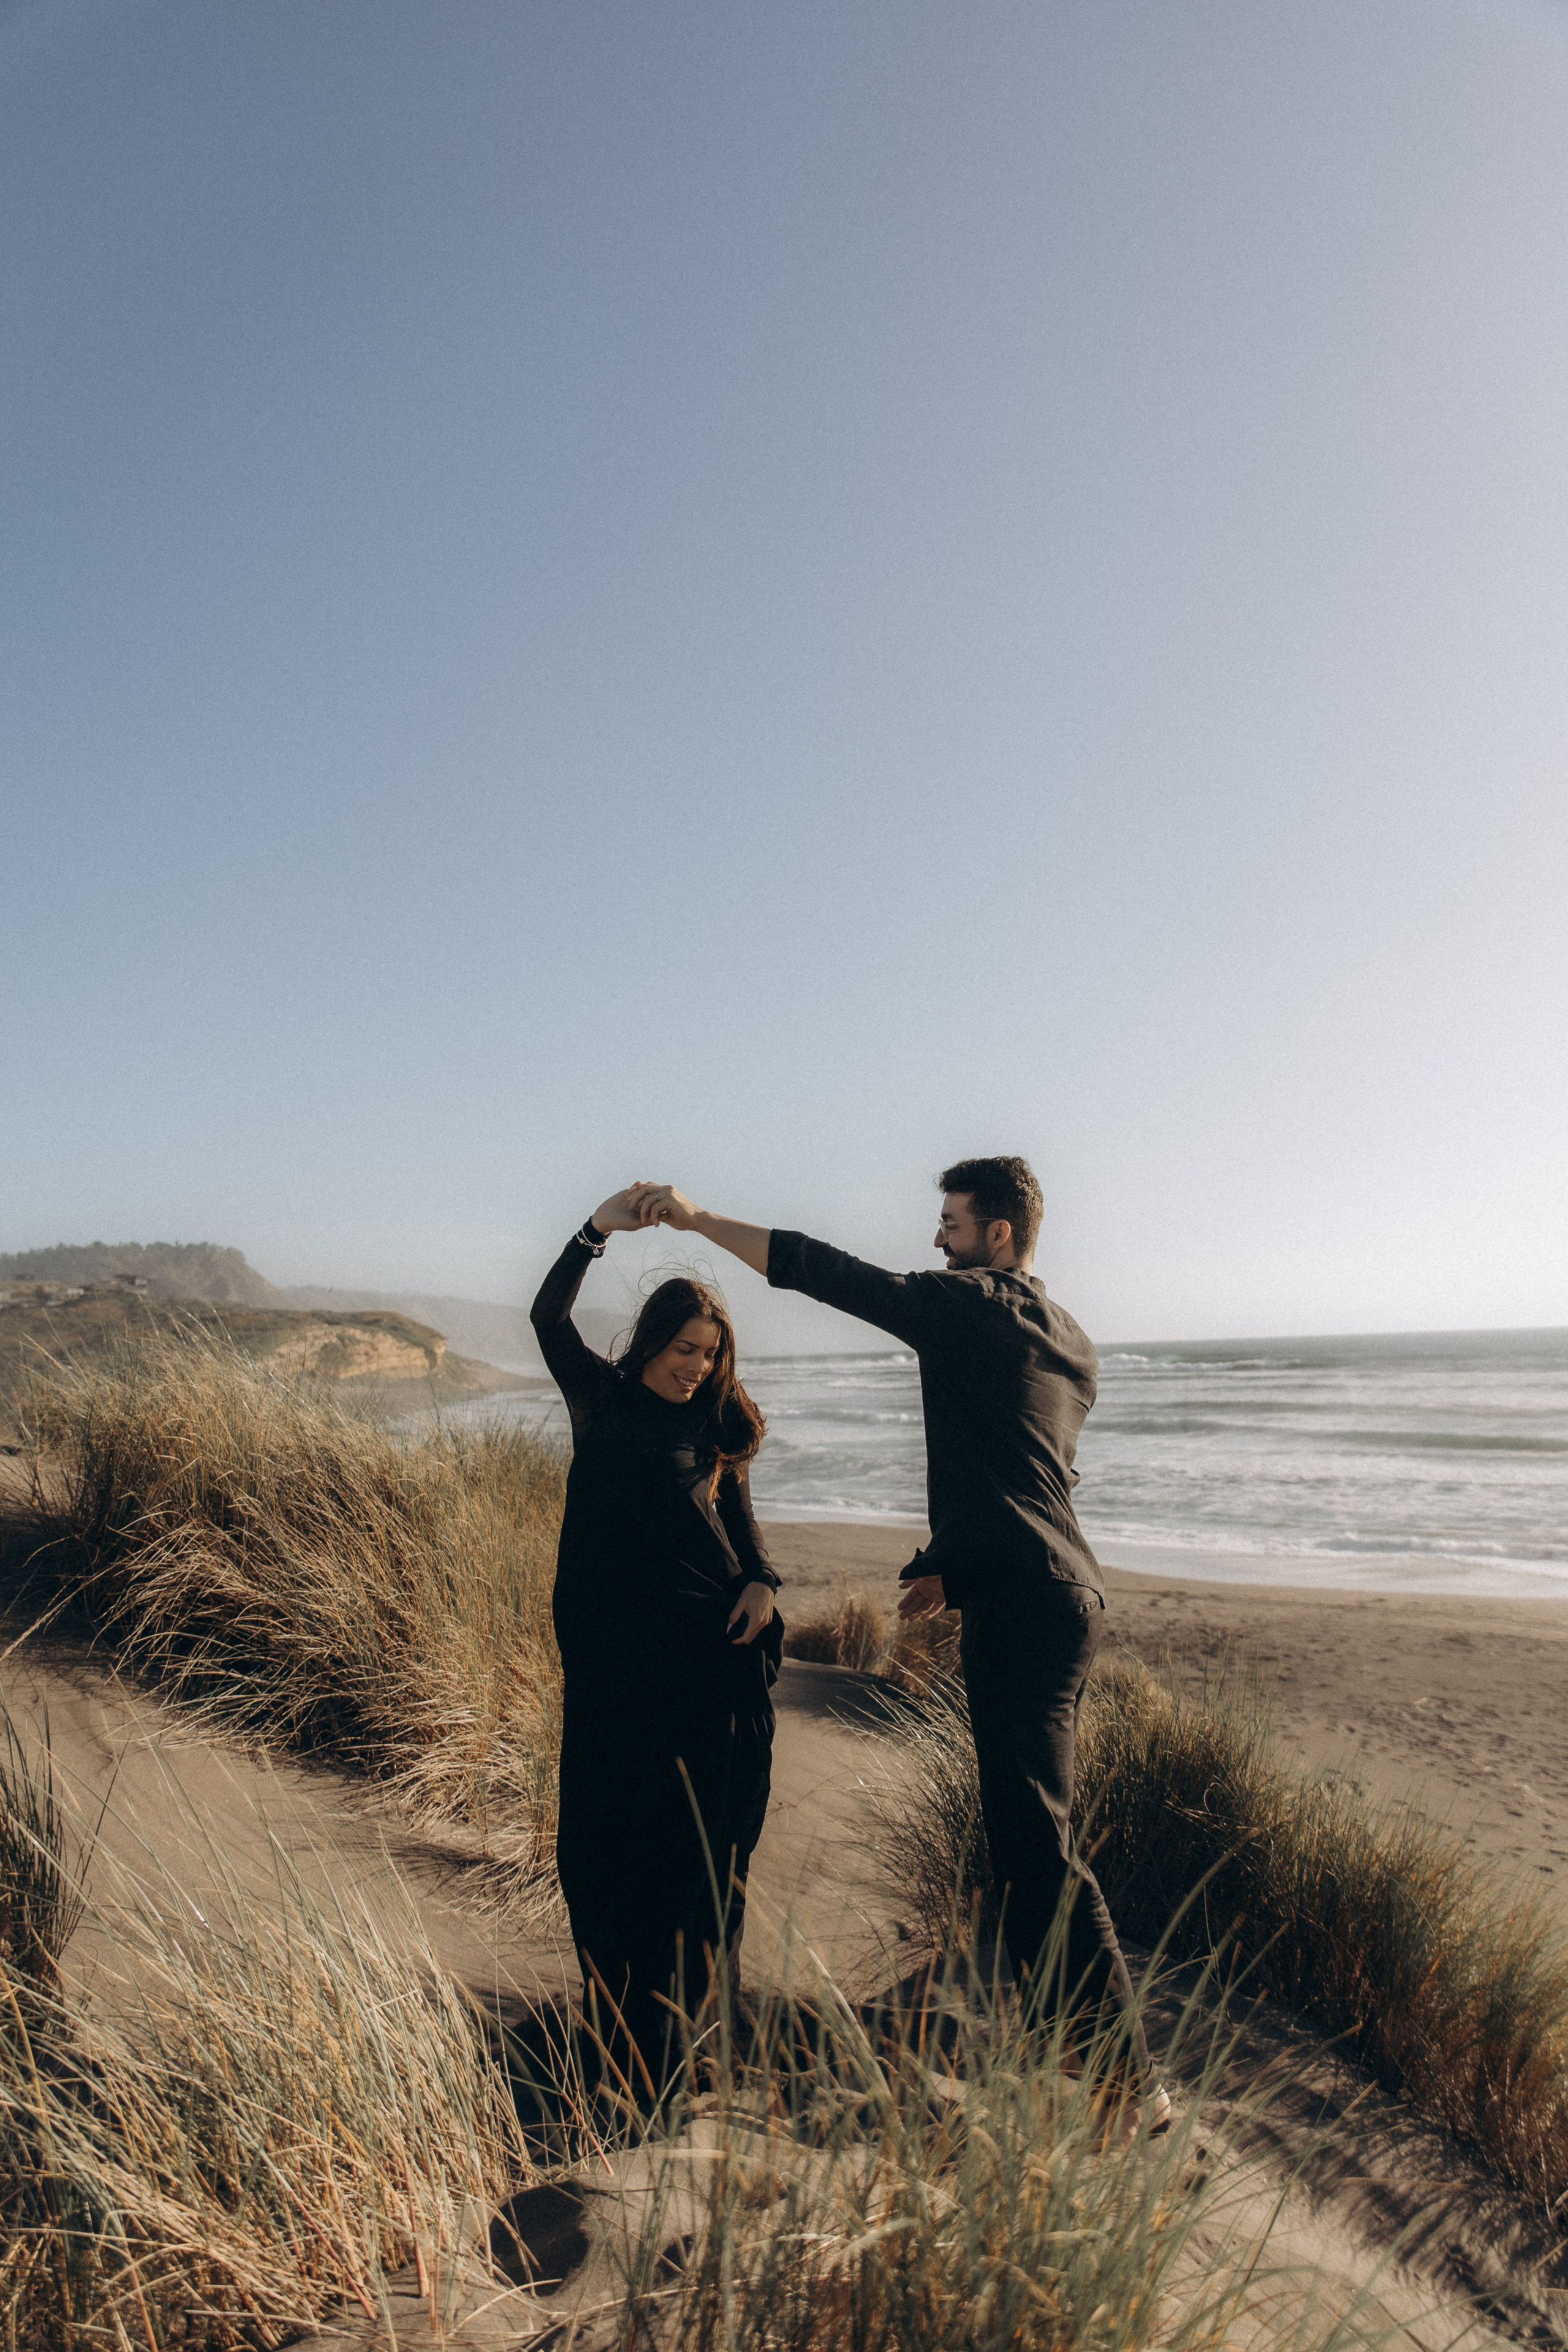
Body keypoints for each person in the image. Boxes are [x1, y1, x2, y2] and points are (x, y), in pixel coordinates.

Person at [627, 1160, 1160, 2106]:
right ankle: (1069, 2050)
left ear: (996, 1234)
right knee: (1027, 1834)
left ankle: (1127, 2083)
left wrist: (702, 1220)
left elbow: (825, 1272)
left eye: (950, 1223)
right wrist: (954, 1560)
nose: (937, 1239)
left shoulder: (972, 1305)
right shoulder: (1069, 1337)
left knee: (1037, 1842)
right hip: (1065, 1594)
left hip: (1027, 1604)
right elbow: (1030, 1466)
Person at [530, 1189, 783, 2092]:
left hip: (699, 1670)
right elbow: (546, 1312)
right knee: (601, 1857)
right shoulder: (597, 1395)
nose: (697, 1367)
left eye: (711, 1356)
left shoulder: (711, 1425)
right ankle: (617, 2041)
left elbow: (744, 1532)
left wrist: (762, 1583)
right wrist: (595, 1229)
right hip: (609, 1675)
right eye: (686, 1350)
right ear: (652, 1342)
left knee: (693, 1866)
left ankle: (682, 2058)